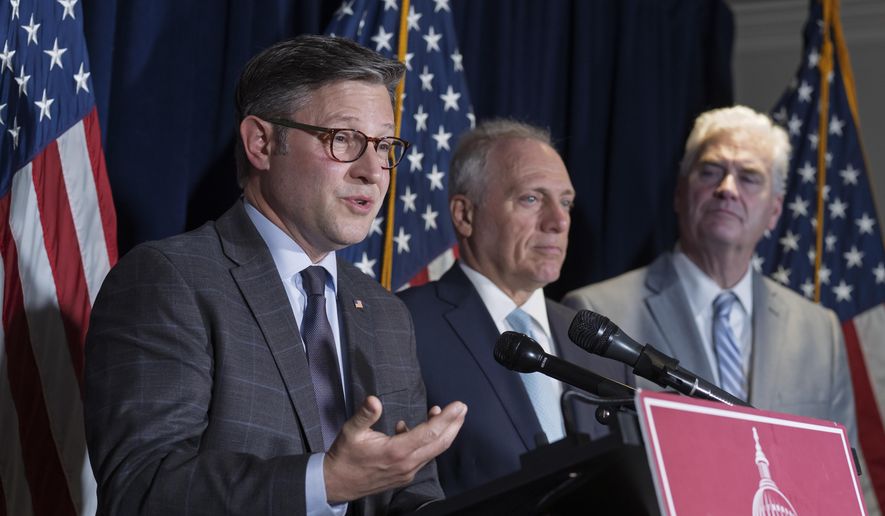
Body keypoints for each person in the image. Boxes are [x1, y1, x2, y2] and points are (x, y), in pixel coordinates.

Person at [84, 35, 466, 515]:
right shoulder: (169, 280)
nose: (374, 170)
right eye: (343, 139)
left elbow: (411, 495)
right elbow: (142, 490)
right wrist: (323, 482)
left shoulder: (386, 313)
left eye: (386, 144)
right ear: (261, 143)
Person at [563, 105, 856, 442]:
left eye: (748, 177)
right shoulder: (599, 312)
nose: (727, 188)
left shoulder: (821, 332)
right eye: (710, 171)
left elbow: (847, 477)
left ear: (774, 211)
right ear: (679, 192)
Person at [398, 119, 632, 496]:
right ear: (465, 215)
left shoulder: (604, 350)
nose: (558, 221)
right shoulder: (404, 326)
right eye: (531, 199)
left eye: (567, 202)